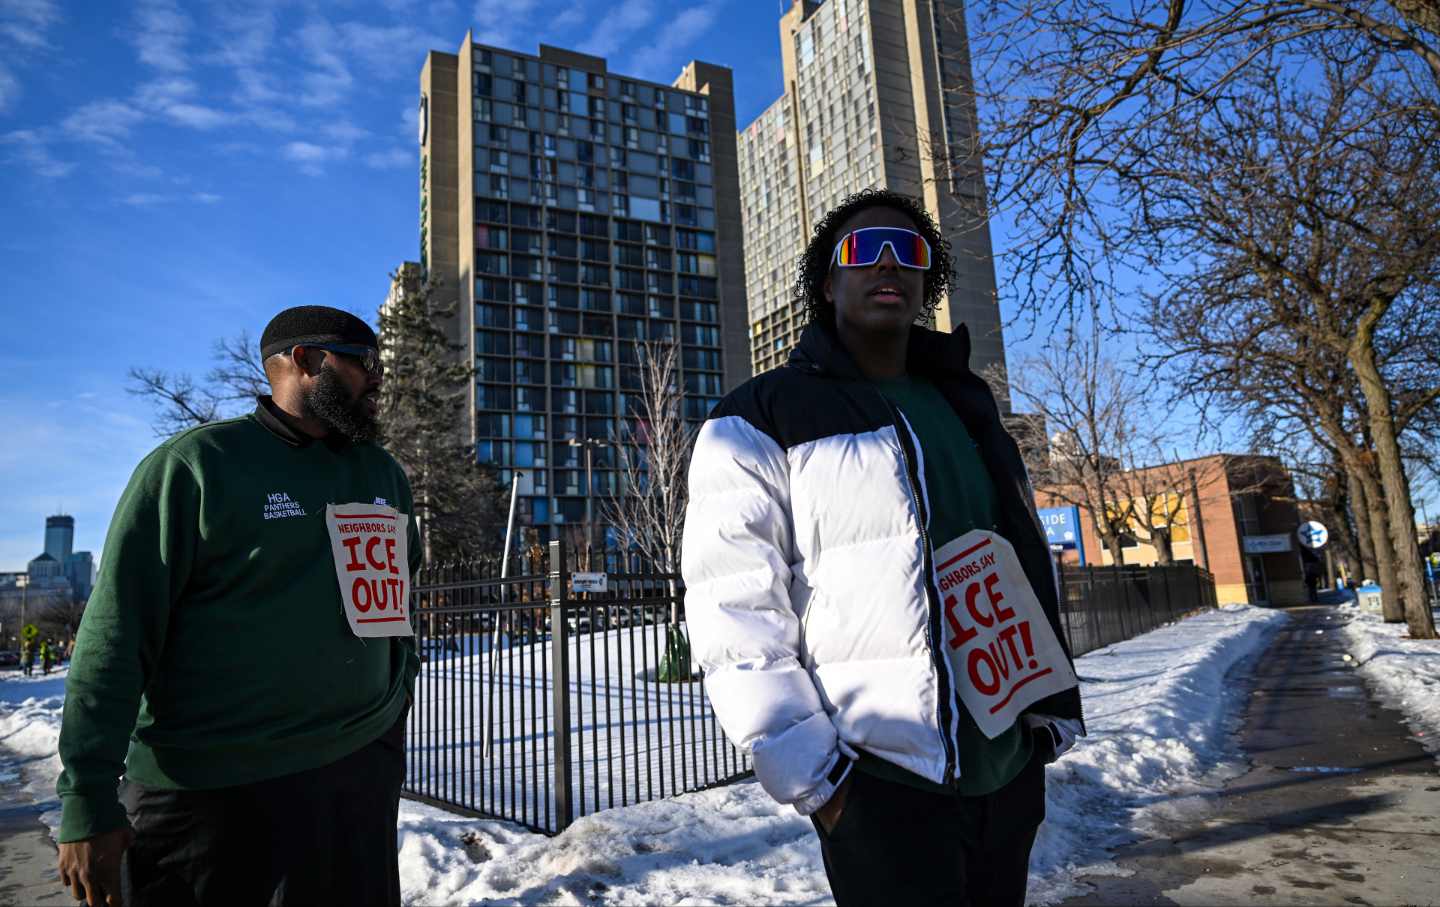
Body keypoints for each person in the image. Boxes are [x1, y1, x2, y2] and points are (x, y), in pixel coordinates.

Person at [683, 189, 1086, 906]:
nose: (889, 264)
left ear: (929, 282)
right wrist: (822, 782)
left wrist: (1047, 716)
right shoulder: (756, 417)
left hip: (1006, 772)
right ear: (829, 282)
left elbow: (1020, 553)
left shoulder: (968, 403)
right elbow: (735, 611)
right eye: (865, 251)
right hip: (882, 788)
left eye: (910, 251)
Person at [56, 306, 422, 907]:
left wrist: (392, 699)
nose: (378, 376)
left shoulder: (382, 474)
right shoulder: (195, 468)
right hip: (209, 794)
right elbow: (115, 637)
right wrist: (86, 799)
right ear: (304, 362)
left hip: (354, 777)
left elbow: (397, 607)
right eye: (362, 362)